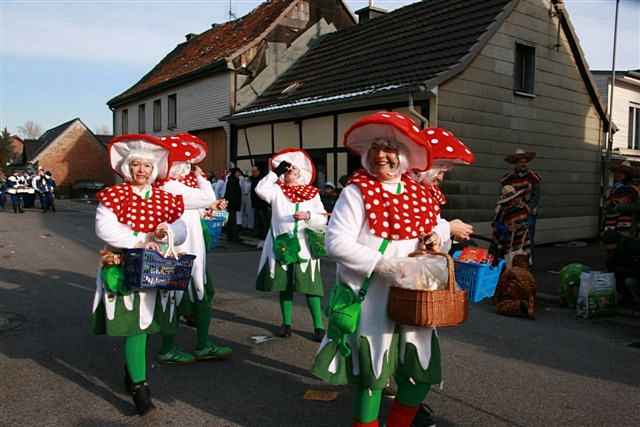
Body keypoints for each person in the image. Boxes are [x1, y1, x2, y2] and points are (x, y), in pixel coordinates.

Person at [312, 112, 446, 427]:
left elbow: (435, 232)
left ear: (405, 155)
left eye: (389, 148)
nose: (381, 155)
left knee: (419, 370)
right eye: (376, 148)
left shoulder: (420, 194)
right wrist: (384, 265)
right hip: (372, 298)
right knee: (371, 375)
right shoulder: (355, 191)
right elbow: (335, 243)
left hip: (414, 296)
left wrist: (436, 241)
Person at [90, 134, 188, 415]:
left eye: (146, 166)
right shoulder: (114, 195)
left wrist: (166, 231)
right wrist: (141, 237)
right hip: (124, 266)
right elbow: (104, 229)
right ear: (128, 168)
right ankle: (140, 389)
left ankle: (132, 373)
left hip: (155, 268)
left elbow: (181, 229)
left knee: (144, 325)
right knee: (135, 325)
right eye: (136, 166)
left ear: (153, 169)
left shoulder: (165, 198)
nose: (141, 170)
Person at [155, 133, 233, 364]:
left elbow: (195, 209)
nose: (189, 168)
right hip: (182, 254)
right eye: (185, 164)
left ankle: (198, 344)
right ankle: (179, 347)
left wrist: (208, 210)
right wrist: (202, 179)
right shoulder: (170, 186)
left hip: (189, 252)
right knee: (179, 296)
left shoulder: (174, 186)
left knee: (190, 296)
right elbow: (206, 197)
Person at [255, 148, 327, 341]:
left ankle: (319, 327)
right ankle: (286, 324)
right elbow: (260, 189)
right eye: (286, 172)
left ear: (300, 175)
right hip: (282, 245)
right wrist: (275, 172)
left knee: (311, 288)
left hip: (305, 247)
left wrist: (308, 216)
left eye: (292, 172)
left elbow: (322, 219)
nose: (289, 174)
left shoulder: (312, 194)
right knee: (285, 286)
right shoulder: (276, 192)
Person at [414, 128, 475, 248]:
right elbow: (416, 235)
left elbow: (432, 223)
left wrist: (452, 229)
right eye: (440, 172)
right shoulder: (408, 190)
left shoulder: (427, 191)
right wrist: (449, 228)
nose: (441, 178)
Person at [501, 149, 540, 255]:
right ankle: (511, 258)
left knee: (527, 235)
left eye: (525, 161)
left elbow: (536, 195)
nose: (523, 163)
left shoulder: (533, 177)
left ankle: (527, 259)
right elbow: (504, 194)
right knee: (511, 235)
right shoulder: (508, 178)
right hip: (511, 211)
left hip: (527, 211)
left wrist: (530, 207)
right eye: (520, 161)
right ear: (515, 163)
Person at [492, 185, 531, 263]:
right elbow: (496, 226)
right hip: (517, 243)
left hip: (516, 243)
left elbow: (496, 226)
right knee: (519, 265)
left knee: (513, 266)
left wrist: (519, 226)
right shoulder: (523, 208)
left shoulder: (505, 210)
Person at [493, 253, 536, 319]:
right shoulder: (530, 275)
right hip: (526, 297)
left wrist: (496, 299)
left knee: (501, 307)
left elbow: (500, 285)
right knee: (523, 304)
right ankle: (524, 308)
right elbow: (533, 291)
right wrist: (531, 306)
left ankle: (518, 305)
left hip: (513, 294)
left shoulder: (510, 271)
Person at [250, 165, 270, 245]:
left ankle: (264, 235)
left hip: (262, 204)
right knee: (258, 220)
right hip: (256, 203)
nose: (253, 173)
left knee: (263, 220)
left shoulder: (261, 180)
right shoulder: (254, 179)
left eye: (254, 171)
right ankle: (259, 234)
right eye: (252, 171)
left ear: (259, 171)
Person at [224, 168, 242, 242]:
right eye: (238, 173)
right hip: (233, 203)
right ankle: (234, 237)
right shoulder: (233, 181)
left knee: (231, 220)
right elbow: (233, 194)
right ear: (235, 173)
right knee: (232, 220)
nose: (239, 174)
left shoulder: (231, 180)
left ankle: (230, 236)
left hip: (231, 203)